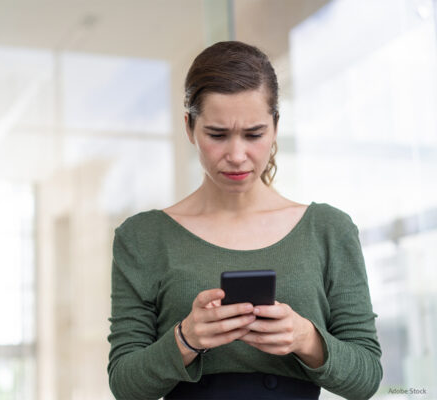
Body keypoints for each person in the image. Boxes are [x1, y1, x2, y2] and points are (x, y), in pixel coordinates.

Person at [107, 41, 382, 400]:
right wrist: (186, 338)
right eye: (217, 135)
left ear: (276, 126)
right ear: (189, 127)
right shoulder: (142, 237)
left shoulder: (329, 230)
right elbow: (125, 385)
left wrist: (304, 338)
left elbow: (367, 378)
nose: (237, 156)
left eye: (254, 135)